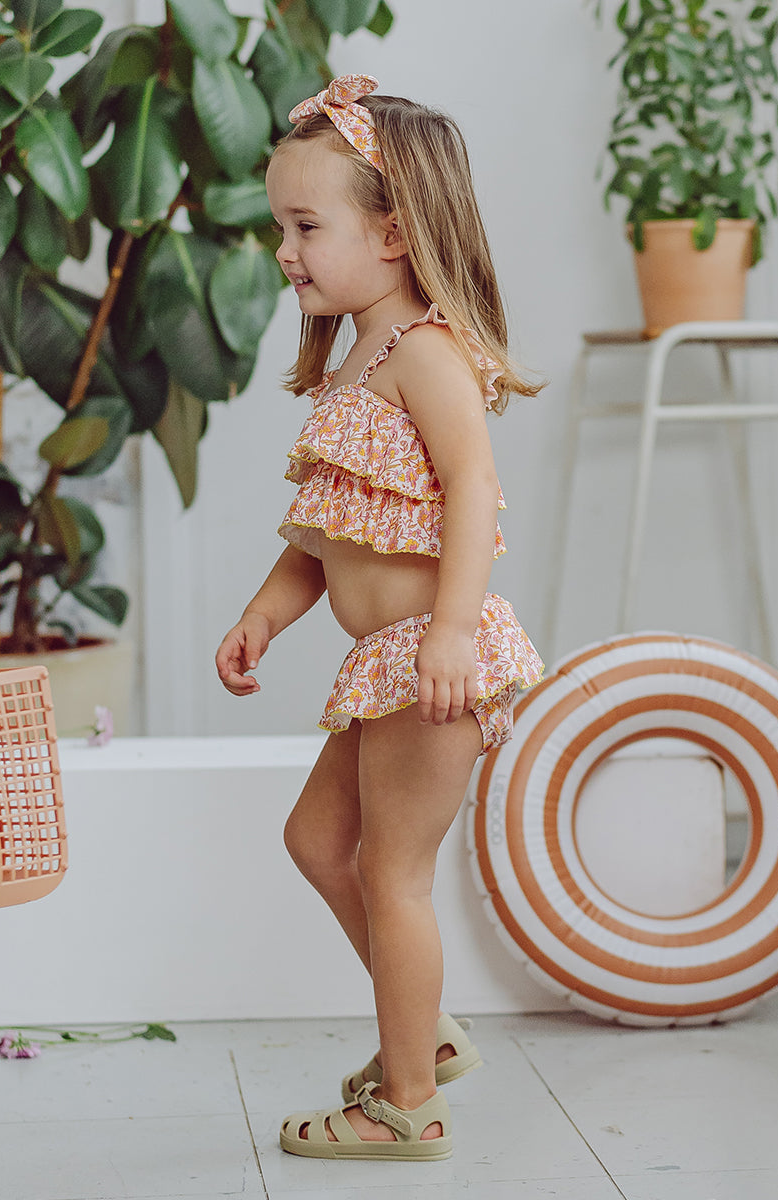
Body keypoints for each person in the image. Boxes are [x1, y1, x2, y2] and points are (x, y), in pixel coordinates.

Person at [215, 74, 544, 1161]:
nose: (285, 252)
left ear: (394, 234)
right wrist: (265, 614)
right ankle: (424, 1033)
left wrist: (450, 632)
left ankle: (407, 1102)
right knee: (318, 840)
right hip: (388, 664)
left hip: (429, 658)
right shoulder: (357, 364)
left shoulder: (427, 354)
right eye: (282, 228)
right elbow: (327, 533)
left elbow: (475, 491)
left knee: (392, 876)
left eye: (306, 227)